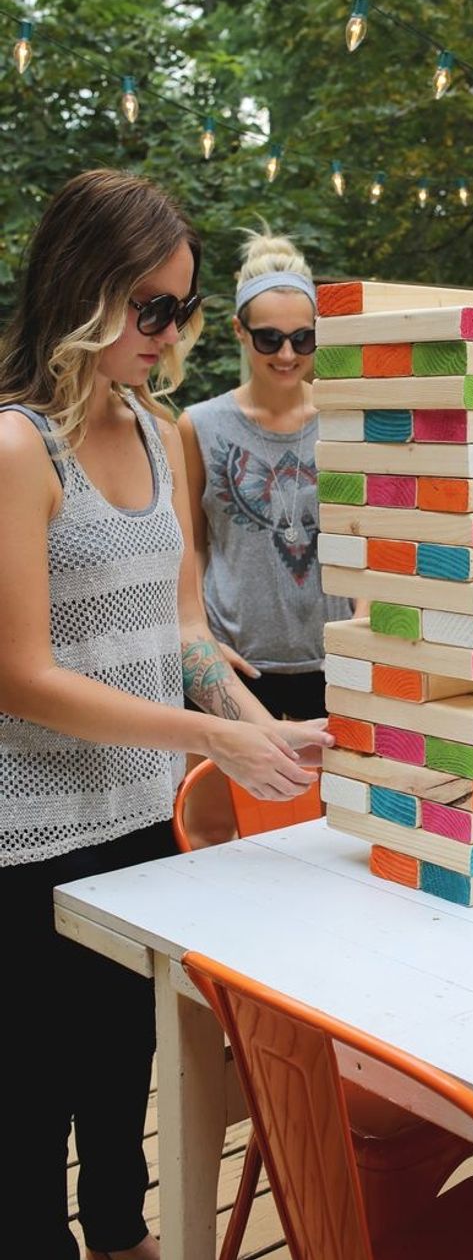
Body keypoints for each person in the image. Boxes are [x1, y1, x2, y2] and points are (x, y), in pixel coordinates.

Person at [0, 170, 331, 1260]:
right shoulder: (16, 447)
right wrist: (211, 738)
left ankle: (122, 1234)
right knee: (28, 1100)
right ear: (82, 288)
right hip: (29, 836)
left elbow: (184, 631)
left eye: (183, 309)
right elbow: (19, 677)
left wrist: (259, 727)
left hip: (142, 817)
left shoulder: (155, 430)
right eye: (152, 308)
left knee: (119, 1065)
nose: (172, 333)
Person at [177, 229, 355, 726]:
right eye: (269, 338)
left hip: (336, 660)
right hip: (235, 664)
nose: (287, 355)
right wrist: (201, 642)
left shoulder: (347, 420)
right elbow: (192, 545)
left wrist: (364, 625)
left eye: (303, 338)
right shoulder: (200, 426)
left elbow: (374, 533)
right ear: (239, 331)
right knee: (218, 781)